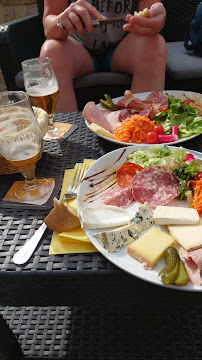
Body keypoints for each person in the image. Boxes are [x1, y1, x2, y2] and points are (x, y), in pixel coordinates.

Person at [40, 0, 167, 112]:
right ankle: (62, 133)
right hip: (77, 48)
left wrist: (154, 18)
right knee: (51, 52)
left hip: (124, 46)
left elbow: (149, 15)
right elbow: (49, 26)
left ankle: (141, 130)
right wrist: (61, 19)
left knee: (154, 45)